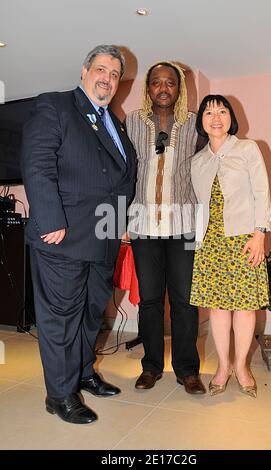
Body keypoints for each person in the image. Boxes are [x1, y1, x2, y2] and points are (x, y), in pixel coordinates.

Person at [21, 45, 136, 424]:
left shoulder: (114, 122)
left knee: (89, 315)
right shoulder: (54, 105)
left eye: (115, 74)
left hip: (101, 239)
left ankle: (83, 374)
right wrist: (50, 218)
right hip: (62, 237)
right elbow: (38, 164)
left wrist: (118, 224)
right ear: (85, 70)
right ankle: (60, 394)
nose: (107, 78)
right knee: (61, 318)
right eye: (101, 69)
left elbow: (123, 180)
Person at [126, 62, 205, 394]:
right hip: (144, 227)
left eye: (170, 83)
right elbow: (123, 170)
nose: (163, 87)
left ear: (179, 89)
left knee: (185, 301)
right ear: (148, 88)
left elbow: (206, 172)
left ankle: (187, 370)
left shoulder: (194, 124)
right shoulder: (131, 122)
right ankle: (151, 367)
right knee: (150, 301)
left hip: (183, 225)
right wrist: (121, 219)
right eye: (156, 82)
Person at [190, 94, 271, 398]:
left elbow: (261, 192)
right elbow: (198, 204)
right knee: (219, 307)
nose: (216, 117)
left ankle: (242, 366)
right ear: (202, 121)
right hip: (210, 241)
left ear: (230, 118)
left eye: (222, 111)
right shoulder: (197, 161)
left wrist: (260, 234)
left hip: (244, 238)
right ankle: (223, 366)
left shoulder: (248, 149)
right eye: (209, 112)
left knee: (246, 307)